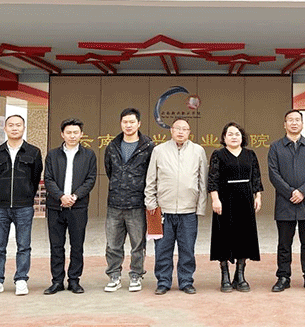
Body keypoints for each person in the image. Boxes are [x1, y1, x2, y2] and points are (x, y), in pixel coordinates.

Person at [145, 118, 208, 295]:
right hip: (162, 211)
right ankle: (163, 282)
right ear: (171, 131)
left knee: (187, 249)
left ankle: (186, 281)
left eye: (185, 129)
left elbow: (203, 181)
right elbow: (151, 179)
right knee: (162, 249)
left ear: (189, 132)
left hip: (188, 211)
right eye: (177, 128)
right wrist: (151, 205)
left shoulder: (198, 151)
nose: (181, 132)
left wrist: (200, 208)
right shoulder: (159, 150)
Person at [0, 114, 43, 297]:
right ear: (5, 128)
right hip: (0, 207)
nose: (15, 128)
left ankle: (21, 279)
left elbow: (35, 178)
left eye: (18, 125)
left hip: (23, 206)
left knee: (24, 245)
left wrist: (26, 194)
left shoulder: (33, 152)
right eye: (11, 125)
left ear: (24, 128)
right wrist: (2, 193)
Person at [267, 109, 305, 293]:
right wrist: (291, 192)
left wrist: (303, 192)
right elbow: (273, 174)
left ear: (302, 124)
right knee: (284, 244)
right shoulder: (276, 147)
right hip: (285, 202)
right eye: (290, 120)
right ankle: (283, 277)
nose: (294, 123)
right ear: (285, 124)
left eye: (297, 120)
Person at [103, 108, 155, 293]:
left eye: (132, 122)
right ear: (120, 124)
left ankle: (136, 275)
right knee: (113, 244)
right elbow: (109, 170)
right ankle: (114, 276)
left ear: (139, 124)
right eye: (125, 122)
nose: (128, 125)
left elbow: (152, 173)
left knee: (138, 244)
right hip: (115, 203)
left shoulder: (148, 146)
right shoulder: (112, 146)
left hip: (137, 203)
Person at [43, 118, 97, 295]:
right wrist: (61, 196)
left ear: (81, 134)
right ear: (62, 134)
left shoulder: (89, 155)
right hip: (55, 206)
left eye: (75, 132)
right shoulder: (52, 155)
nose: (72, 136)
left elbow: (90, 179)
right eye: (68, 132)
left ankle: (74, 280)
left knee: (77, 245)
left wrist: (74, 196)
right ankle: (57, 281)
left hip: (78, 207)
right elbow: (48, 179)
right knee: (56, 246)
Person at [208, 122, 264, 292]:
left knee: (244, 235)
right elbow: (213, 179)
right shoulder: (218, 155)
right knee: (223, 235)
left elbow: (256, 177)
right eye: (230, 134)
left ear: (242, 137)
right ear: (224, 137)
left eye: (237, 134)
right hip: (225, 199)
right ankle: (224, 275)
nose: (234, 137)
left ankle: (240, 275)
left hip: (245, 199)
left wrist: (258, 196)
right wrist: (215, 199)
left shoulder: (250, 154)